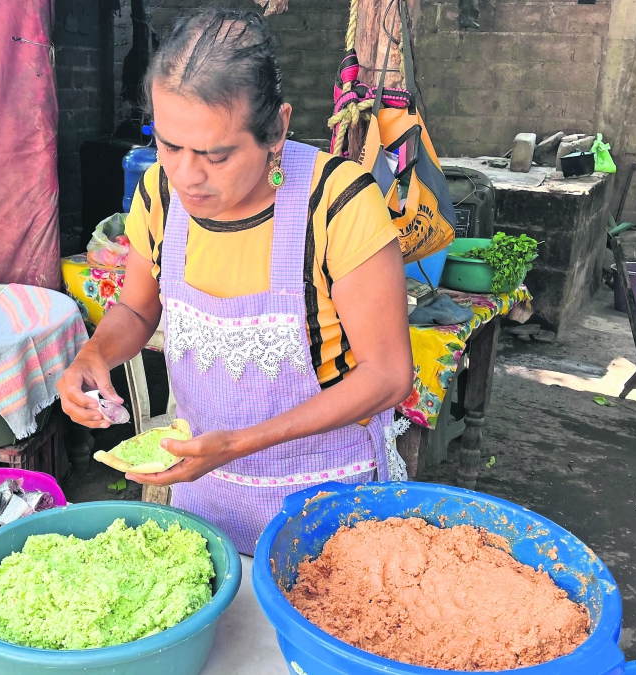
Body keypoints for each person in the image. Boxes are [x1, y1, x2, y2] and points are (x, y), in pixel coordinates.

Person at [58, 8, 414, 555]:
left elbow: (388, 375)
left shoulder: (336, 203)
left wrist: (241, 444)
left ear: (276, 130)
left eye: (215, 155)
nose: (186, 174)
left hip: (327, 505)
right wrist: (93, 357)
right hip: (205, 493)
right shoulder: (158, 194)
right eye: (169, 145)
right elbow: (135, 311)